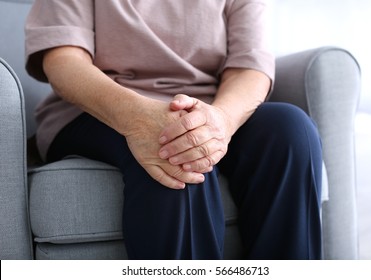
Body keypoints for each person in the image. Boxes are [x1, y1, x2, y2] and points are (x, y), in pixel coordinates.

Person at [25, 0, 323, 259]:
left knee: (290, 130)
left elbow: (249, 67)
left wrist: (219, 122)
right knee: (175, 151)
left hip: (208, 105)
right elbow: (63, 62)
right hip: (100, 106)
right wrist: (139, 120)